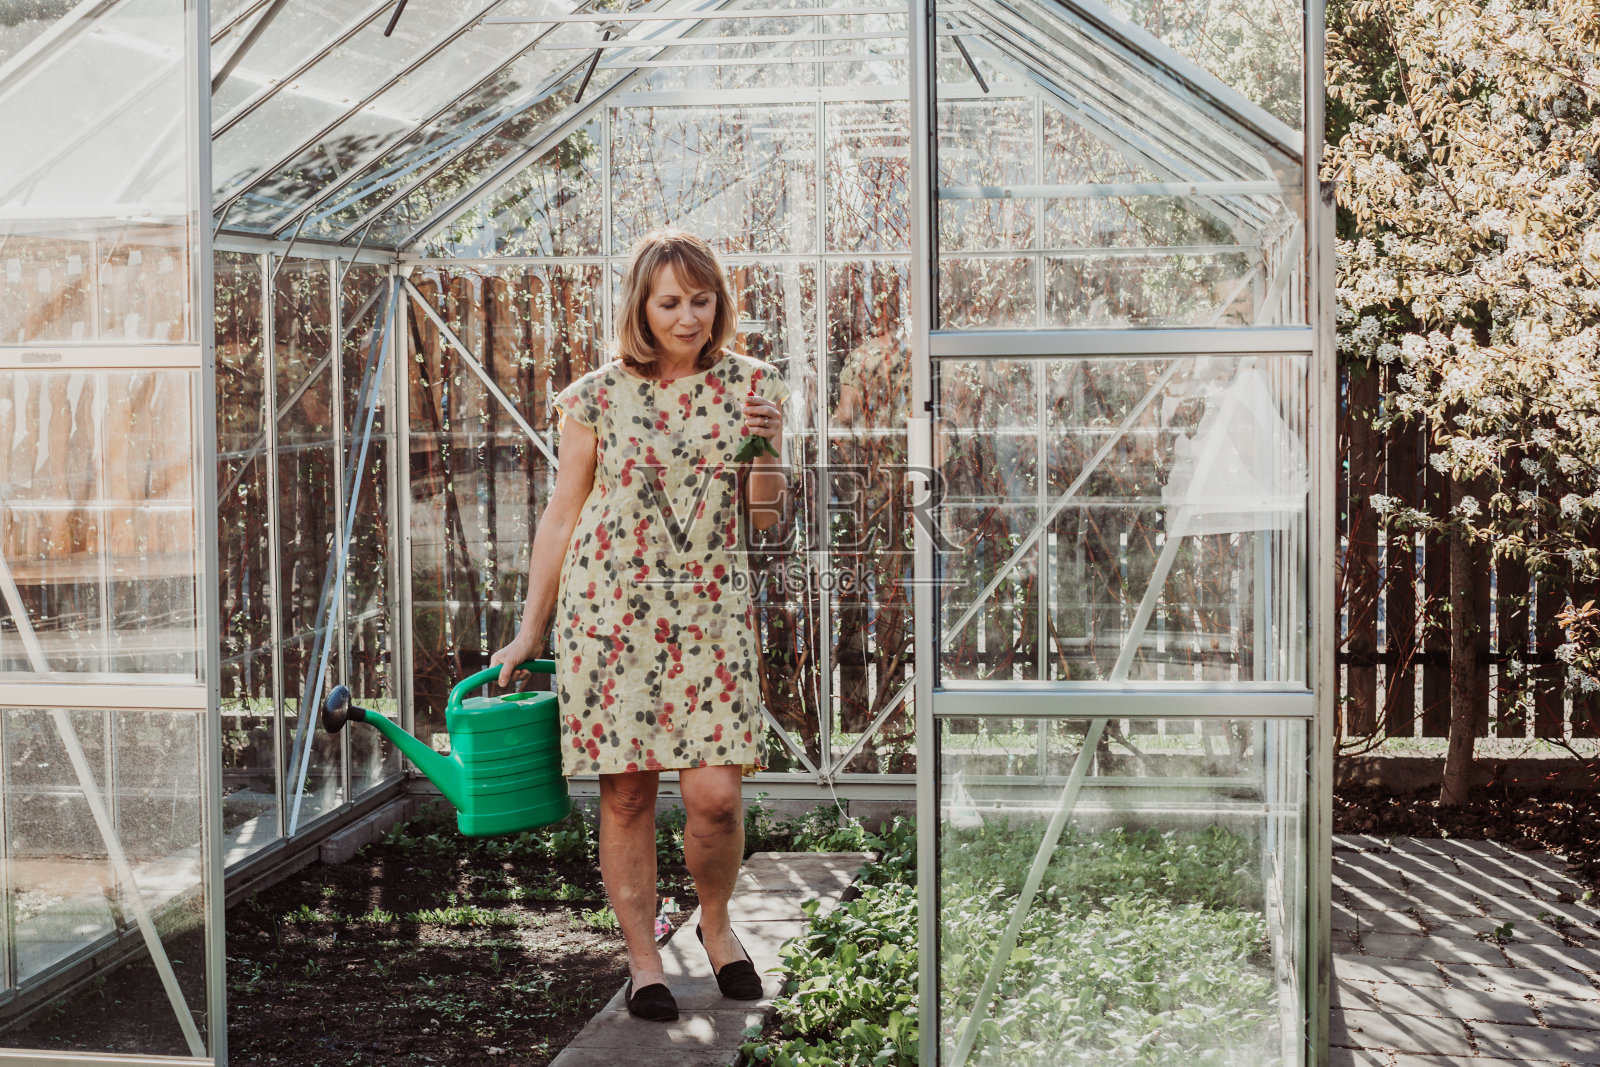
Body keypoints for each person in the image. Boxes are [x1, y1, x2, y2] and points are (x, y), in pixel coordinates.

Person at [490, 229, 791, 1022]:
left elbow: (765, 515)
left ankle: (718, 928)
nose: (688, 316)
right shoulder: (595, 395)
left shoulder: (753, 387)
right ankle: (645, 962)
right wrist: (530, 631)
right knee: (626, 796)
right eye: (670, 302)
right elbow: (562, 517)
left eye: (701, 299)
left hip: (709, 614)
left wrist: (771, 442)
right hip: (611, 616)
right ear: (642, 308)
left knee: (717, 795)